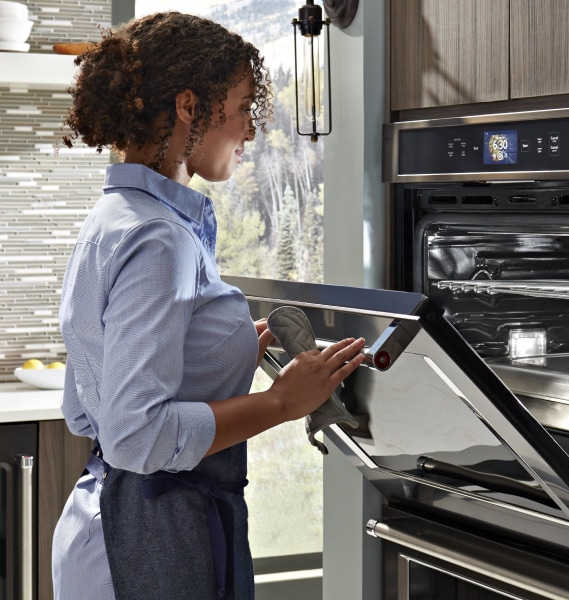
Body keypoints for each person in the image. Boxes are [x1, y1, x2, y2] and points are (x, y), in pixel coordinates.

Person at [52, 11, 365, 600]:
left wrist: (219, 344)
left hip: (106, 532)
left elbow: (85, 409)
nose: (250, 131)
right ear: (190, 107)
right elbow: (136, 436)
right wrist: (280, 401)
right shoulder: (159, 240)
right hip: (150, 542)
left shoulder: (113, 221)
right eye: (245, 106)